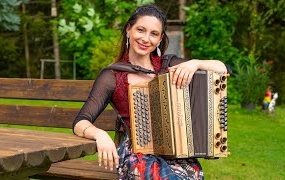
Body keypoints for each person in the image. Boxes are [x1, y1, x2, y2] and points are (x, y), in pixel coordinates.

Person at [72, 4, 230, 179]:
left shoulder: (168, 65)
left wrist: (196, 63)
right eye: (141, 30)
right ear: (128, 30)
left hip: (176, 154)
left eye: (154, 34)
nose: (146, 39)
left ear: (160, 38)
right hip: (137, 154)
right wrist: (100, 135)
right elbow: (80, 122)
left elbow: (224, 68)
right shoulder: (112, 76)